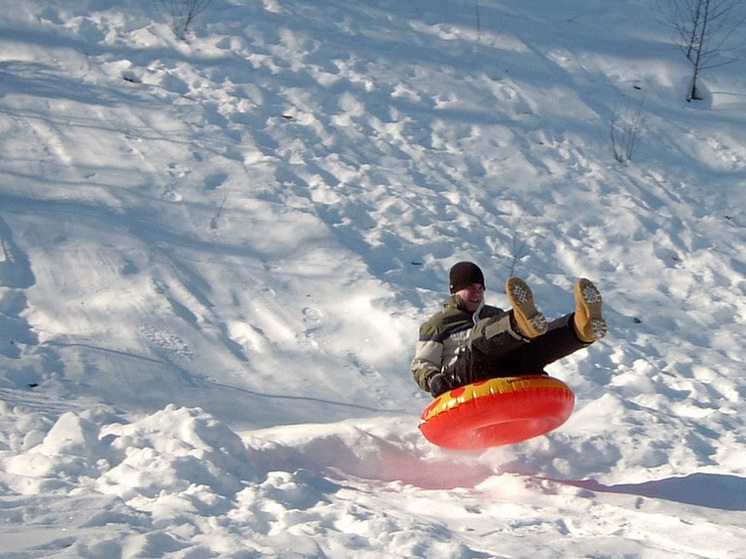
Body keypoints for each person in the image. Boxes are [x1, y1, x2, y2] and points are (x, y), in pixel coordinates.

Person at [410, 261, 607, 397]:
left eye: (480, 287)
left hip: (499, 376)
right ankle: (518, 324)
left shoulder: (492, 314)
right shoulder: (438, 323)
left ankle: (580, 328)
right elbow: (422, 364)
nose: (477, 293)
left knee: (530, 348)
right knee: (480, 338)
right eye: (471, 287)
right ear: (455, 290)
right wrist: (434, 379)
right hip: (460, 380)